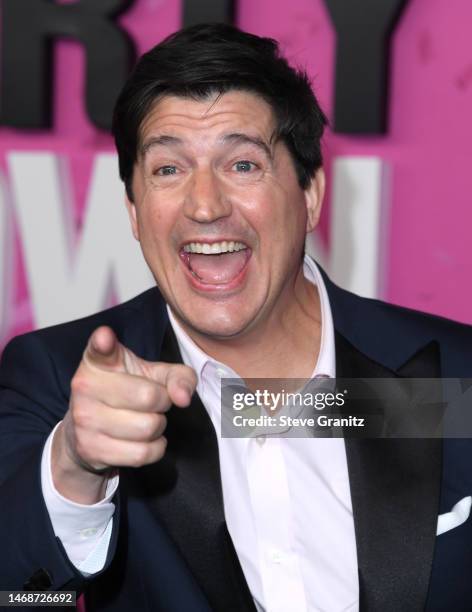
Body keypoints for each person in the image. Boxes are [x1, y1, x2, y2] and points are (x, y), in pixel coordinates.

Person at [1, 22, 472, 612]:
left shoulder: (455, 376)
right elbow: (17, 596)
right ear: (132, 210)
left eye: (243, 164)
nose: (204, 205)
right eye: (167, 170)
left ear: (310, 196)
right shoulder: (62, 383)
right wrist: (73, 467)